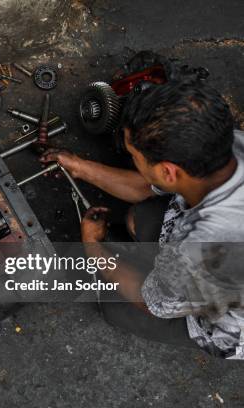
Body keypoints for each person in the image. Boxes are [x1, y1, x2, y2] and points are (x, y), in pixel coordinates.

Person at [41, 80, 244, 359]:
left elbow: (149, 301)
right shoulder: (230, 145)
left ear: (169, 172)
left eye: (135, 156)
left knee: (116, 306)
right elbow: (146, 186)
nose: (132, 159)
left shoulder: (199, 254)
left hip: (225, 322)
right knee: (140, 217)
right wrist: (80, 168)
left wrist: (93, 248)